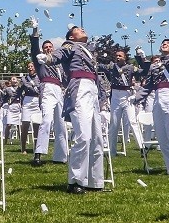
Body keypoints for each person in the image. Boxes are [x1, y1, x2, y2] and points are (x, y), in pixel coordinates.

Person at [37, 23, 105, 194]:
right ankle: (75, 181)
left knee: (97, 137)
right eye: (78, 30)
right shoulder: (70, 45)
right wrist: (48, 58)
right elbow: (60, 54)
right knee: (83, 135)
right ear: (71, 37)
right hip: (79, 87)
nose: (83, 29)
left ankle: (94, 181)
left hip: (92, 89)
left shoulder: (88, 50)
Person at [130, 19, 169, 175]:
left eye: (168, 43)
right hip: (157, 97)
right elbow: (149, 85)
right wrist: (136, 98)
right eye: (163, 43)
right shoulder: (154, 65)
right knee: (162, 134)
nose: (164, 44)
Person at [30, 30, 67, 166]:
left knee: (61, 124)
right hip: (47, 88)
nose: (48, 49)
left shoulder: (59, 64)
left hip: (59, 90)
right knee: (46, 120)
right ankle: (38, 154)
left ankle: (60, 156)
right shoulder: (40, 61)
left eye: (50, 47)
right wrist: (35, 35)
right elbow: (34, 50)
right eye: (46, 47)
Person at [104, 48, 143, 157]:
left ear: (125, 57)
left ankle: (142, 147)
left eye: (120, 56)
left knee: (132, 121)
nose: (117, 57)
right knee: (114, 124)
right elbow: (100, 67)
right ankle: (112, 151)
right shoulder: (112, 66)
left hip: (126, 95)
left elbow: (143, 71)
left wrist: (140, 58)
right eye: (116, 55)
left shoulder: (130, 68)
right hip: (115, 95)